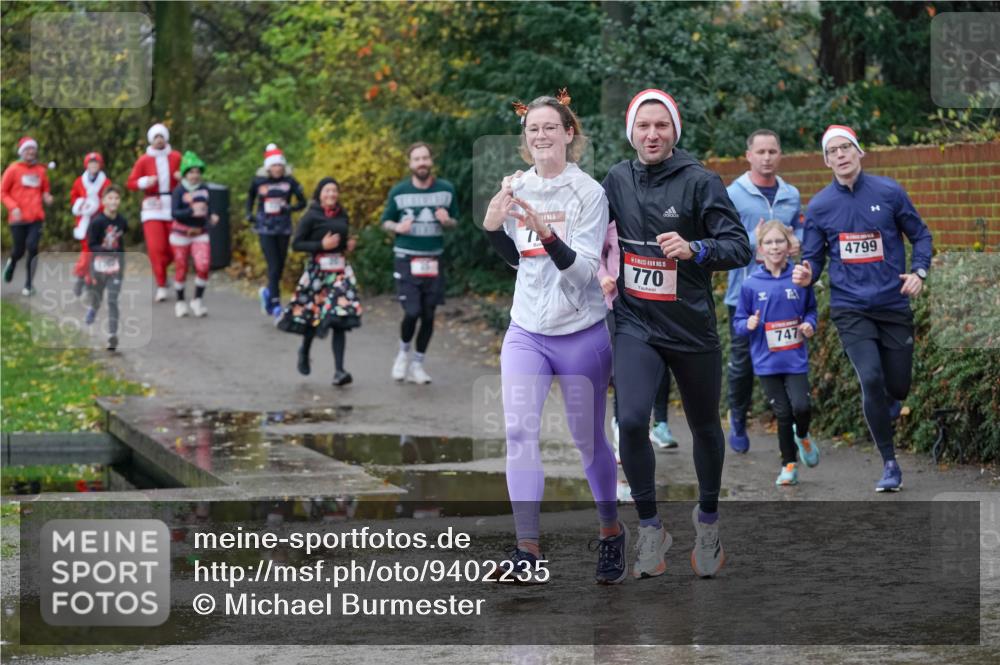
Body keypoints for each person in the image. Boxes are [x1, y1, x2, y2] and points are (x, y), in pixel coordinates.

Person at [602, 88, 752, 579]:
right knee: (629, 422)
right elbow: (592, 236)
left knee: (705, 426)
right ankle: (650, 528)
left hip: (689, 326)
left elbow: (739, 247)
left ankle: (707, 522)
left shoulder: (700, 182)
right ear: (631, 132)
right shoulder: (617, 180)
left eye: (661, 126)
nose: (651, 134)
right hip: (635, 323)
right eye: (643, 126)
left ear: (674, 131)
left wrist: (696, 249)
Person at [483, 90, 625, 584]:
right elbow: (518, 262)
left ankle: (611, 532)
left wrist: (548, 234)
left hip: (579, 333)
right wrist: (493, 229)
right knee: (519, 433)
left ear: (569, 133)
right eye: (532, 130)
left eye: (550, 127)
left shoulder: (589, 193)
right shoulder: (517, 186)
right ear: (525, 139)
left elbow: (586, 274)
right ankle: (527, 549)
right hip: (526, 331)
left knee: (588, 442)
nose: (541, 136)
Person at [794, 125, 932, 492]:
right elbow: (813, 258)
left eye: (845, 148)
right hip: (850, 307)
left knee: (898, 385)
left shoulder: (889, 192)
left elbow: (920, 235)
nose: (840, 155)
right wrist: (807, 274)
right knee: (870, 377)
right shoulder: (821, 205)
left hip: (892, 302)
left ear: (859, 152)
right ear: (826, 161)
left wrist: (918, 271)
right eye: (832, 152)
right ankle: (889, 463)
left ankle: (883, 409)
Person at [724, 129, 802, 453]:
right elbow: (725, 239)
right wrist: (756, 241)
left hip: (784, 295)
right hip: (744, 293)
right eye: (761, 152)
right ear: (749, 156)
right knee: (742, 364)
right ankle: (738, 418)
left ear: (780, 154)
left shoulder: (791, 195)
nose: (767, 157)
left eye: (773, 151)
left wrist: (798, 241)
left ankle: (793, 423)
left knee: (788, 359)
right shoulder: (733, 194)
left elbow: (798, 232)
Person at [733, 221, 819, 485]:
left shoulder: (800, 278)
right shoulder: (750, 284)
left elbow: (811, 311)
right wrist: (748, 324)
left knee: (802, 408)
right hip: (766, 361)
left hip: (794, 359)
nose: (774, 247)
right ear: (760, 249)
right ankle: (788, 465)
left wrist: (809, 325)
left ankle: (802, 435)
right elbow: (738, 322)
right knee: (782, 413)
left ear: (789, 246)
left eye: (779, 241)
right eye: (768, 242)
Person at [381, 142, 458, 384]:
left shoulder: (446, 190)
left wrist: (447, 221)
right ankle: (403, 353)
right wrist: (397, 227)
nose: (421, 163)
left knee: (428, 314)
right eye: (417, 159)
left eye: (425, 158)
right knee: (411, 311)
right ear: (410, 164)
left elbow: (454, 221)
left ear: (431, 161)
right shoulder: (399, 192)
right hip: (406, 257)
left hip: (433, 258)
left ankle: (418, 364)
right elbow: (385, 221)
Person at [277, 177, 362, 386]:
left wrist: (347, 246)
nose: (331, 194)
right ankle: (304, 351)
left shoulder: (343, 214)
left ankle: (339, 371)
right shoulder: (311, 216)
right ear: (319, 194)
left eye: (334, 191)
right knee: (313, 317)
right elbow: (297, 245)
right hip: (318, 273)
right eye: (327, 191)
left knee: (339, 318)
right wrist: (321, 244)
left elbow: (341, 240)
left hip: (339, 273)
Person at [245, 143, 306, 320]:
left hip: (284, 228)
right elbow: (250, 197)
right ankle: (276, 304)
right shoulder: (258, 181)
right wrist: (249, 214)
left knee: (279, 266)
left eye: (279, 165)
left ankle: (267, 294)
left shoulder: (290, 182)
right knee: (273, 265)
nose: (277, 168)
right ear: (268, 167)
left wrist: (290, 208)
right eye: (274, 165)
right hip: (265, 228)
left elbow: (302, 201)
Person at [127, 123, 182, 302]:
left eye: (161, 136)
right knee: (156, 248)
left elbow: (192, 176)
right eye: (155, 137)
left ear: (166, 138)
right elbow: (131, 183)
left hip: (173, 204)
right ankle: (161, 283)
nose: (159, 140)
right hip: (152, 206)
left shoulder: (176, 157)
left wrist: (182, 177)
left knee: (176, 248)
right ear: (151, 140)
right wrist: (144, 182)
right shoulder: (144, 160)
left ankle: (163, 271)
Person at [2, 136, 53, 296]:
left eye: (33, 149)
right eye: (27, 149)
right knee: (19, 250)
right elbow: (3, 192)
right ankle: (13, 261)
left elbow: (45, 189)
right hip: (17, 218)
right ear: (22, 152)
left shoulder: (41, 170)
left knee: (32, 247)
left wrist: (47, 196)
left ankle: (29, 285)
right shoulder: (13, 169)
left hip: (36, 217)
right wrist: (13, 207)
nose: (31, 152)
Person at [170, 151, 218, 318]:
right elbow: (174, 213)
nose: (195, 175)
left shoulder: (205, 189)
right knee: (181, 268)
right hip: (181, 233)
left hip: (200, 232)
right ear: (185, 174)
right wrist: (190, 211)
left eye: (197, 172)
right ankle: (180, 302)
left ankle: (197, 300)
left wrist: (212, 215)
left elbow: (209, 206)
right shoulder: (179, 191)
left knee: (203, 265)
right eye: (191, 172)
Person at [84, 186, 127, 351]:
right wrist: (104, 251)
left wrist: (121, 261)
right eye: (110, 198)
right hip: (99, 266)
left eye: (116, 198)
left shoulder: (122, 221)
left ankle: (112, 336)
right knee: (98, 296)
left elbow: (121, 241)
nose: (114, 201)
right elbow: (91, 244)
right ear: (103, 201)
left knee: (112, 300)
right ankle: (93, 308)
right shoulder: (97, 222)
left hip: (116, 266)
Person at [69, 152, 112, 298]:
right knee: (88, 250)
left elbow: (109, 200)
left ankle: (86, 281)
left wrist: (97, 207)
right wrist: (81, 204)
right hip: (84, 221)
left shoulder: (106, 182)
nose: (93, 166)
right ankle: (83, 279)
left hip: (99, 220)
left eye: (96, 163)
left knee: (96, 252)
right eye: (91, 163)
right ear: (86, 165)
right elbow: (74, 197)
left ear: (100, 165)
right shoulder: (79, 181)